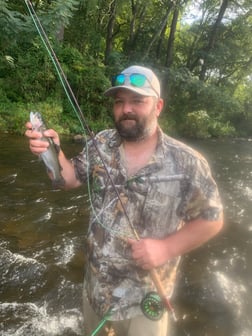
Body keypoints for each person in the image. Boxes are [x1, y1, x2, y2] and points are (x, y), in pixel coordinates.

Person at [25, 65, 223, 336]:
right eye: (120, 102)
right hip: (96, 291)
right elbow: (68, 180)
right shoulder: (101, 143)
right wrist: (51, 152)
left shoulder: (188, 162)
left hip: (145, 303)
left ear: (158, 106)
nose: (126, 108)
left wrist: (166, 248)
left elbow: (212, 218)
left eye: (138, 101)